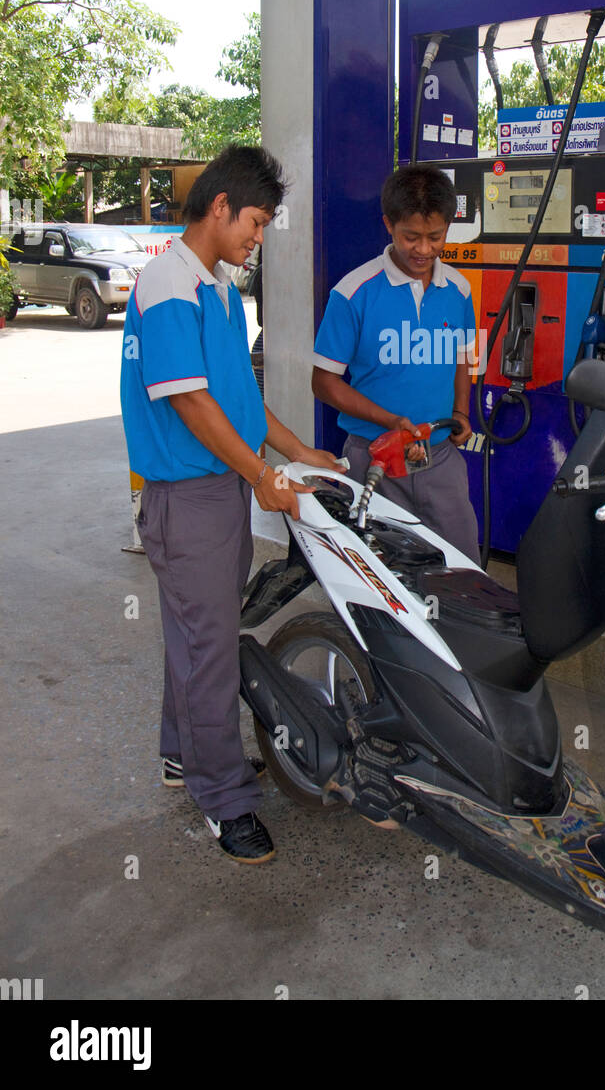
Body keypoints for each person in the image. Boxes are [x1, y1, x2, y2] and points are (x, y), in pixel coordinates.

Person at [121, 144, 340, 864]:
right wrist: (260, 476)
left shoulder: (212, 286)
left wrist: (296, 453)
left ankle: (184, 754)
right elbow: (188, 400)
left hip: (218, 492)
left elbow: (236, 402)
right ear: (219, 207)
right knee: (210, 649)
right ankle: (223, 799)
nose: (257, 236)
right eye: (255, 220)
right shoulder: (166, 284)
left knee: (196, 640)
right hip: (189, 500)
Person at [312, 163, 480, 564]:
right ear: (388, 224)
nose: (423, 249)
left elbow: (464, 357)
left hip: (439, 456)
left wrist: (460, 410)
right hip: (373, 459)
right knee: (376, 573)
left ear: (448, 227)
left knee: (462, 567)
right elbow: (324, 383)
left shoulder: (458, 289)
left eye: (434, 237)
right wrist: (389, 420)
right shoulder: (353, 292)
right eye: (411, 236)